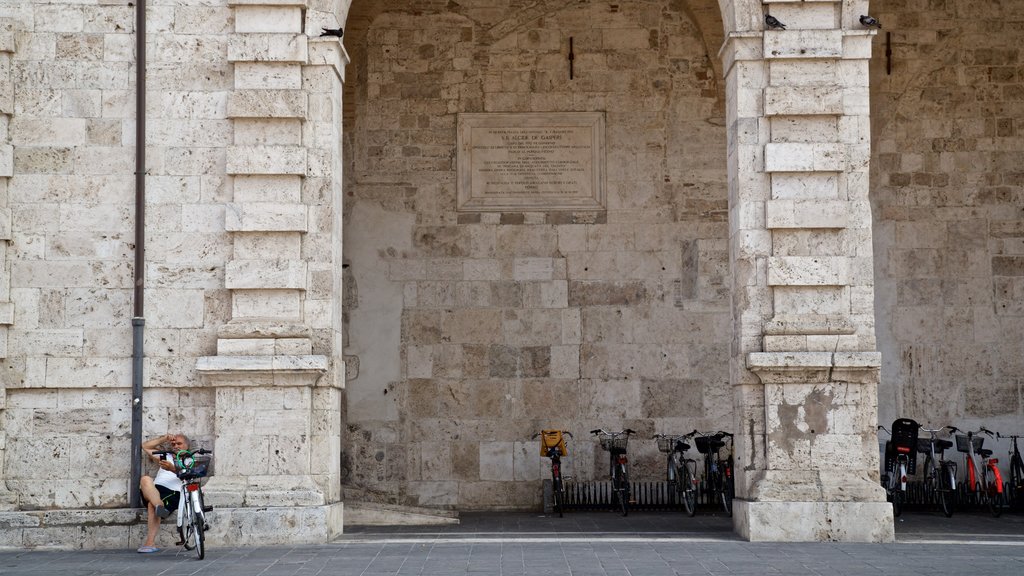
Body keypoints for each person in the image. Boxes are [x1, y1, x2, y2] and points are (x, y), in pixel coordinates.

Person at [137, 433, 189, 553]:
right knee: (145, 479)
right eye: (173, 444)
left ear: (187, 445)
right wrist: (164, 439)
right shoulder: (167, 456)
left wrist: (172, 468)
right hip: (155, 490)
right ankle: (159, 506)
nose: (175, 446)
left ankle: (150, 543)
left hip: (173, 492)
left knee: (151, 505)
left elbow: (192, 475)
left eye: (179, 443)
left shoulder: (190, 459)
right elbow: (145, 446)